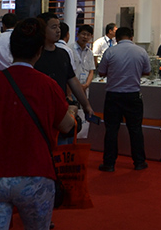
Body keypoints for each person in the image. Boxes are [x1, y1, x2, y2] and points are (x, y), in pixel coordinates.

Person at [0, 17, 77, 230]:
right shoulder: (48, 85)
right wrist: (72, 112)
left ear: (11, 49)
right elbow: (65, 126)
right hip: (36, 174)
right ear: (39, 51)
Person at [97, 26, 151, 172]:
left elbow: (101, 72)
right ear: (132, 37)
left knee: (111, 130)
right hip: (133, 95)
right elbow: (147, 71)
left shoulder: (110, 51)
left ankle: (109, 163)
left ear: (117, 38)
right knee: (135, 129)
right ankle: (139, 162)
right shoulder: (141, 51)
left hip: (113, 95)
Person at [34, 15, 95, 143]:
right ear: (42, 29)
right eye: (53, 27)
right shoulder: (35, 54)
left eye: (58, 27)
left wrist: (86, 105)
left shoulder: (63, 54)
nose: (58, 30)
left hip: (60, 111)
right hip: (39, 111)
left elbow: (72, 79)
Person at [71, 24, 96, 94]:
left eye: (88, 35)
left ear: (91, 37)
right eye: (83, 34)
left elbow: (91, 71)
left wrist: (86, 85)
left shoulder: (89, 52)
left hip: (85, 88)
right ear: (77, 34)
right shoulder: (70, 50)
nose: (85, 37)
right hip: (72, 87)